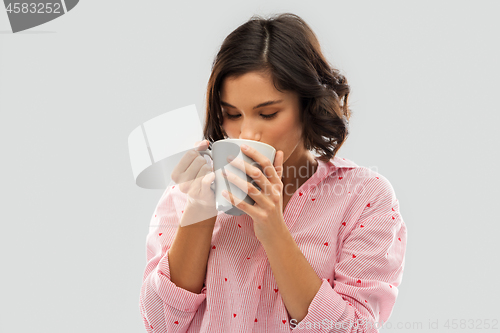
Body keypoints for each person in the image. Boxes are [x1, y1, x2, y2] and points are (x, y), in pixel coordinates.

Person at [139, 13, 407, 333]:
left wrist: (274, 232)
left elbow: (356, 328)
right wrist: (199, 210)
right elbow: (159, 325)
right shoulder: (186, 193)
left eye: (268, 113)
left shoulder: (363, 195)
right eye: (232, 114)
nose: (247, 133)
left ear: (307, 106)